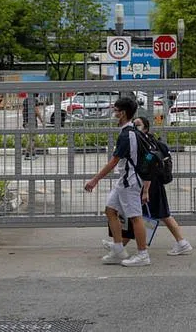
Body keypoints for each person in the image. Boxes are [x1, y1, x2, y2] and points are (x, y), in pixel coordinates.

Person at [103, 117, 193, 257]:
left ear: (146, 128)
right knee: (145, 215)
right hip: (149, 183)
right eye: (134, 124)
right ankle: (119, 245)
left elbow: (148, 166)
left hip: (150, 184)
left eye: (138, 124)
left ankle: (181, 243)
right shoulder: (146, 140)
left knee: (149, 215)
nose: (134, 126)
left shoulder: (146, 143)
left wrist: (145, 190)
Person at [84, 97, 152, 267]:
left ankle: (143, 254)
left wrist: (94, 180)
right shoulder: (131, 131)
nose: (113, 113)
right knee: (110, 210)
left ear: (122, 113)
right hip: (125, 180)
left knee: (135, 217)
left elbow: (113, 162)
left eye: (115, 110)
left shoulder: (127, 135)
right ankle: (118, 249)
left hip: (130, 181)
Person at [22, 93, 43, 160]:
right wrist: (42, 120)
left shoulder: (25, 100)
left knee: (31, 138)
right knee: (32, 139)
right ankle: (27, 154)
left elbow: (23, 111)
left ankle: (33, 153)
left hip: (26, 121)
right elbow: (37, 111)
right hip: (32, 122)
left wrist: (24, 120)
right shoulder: (34, 100)